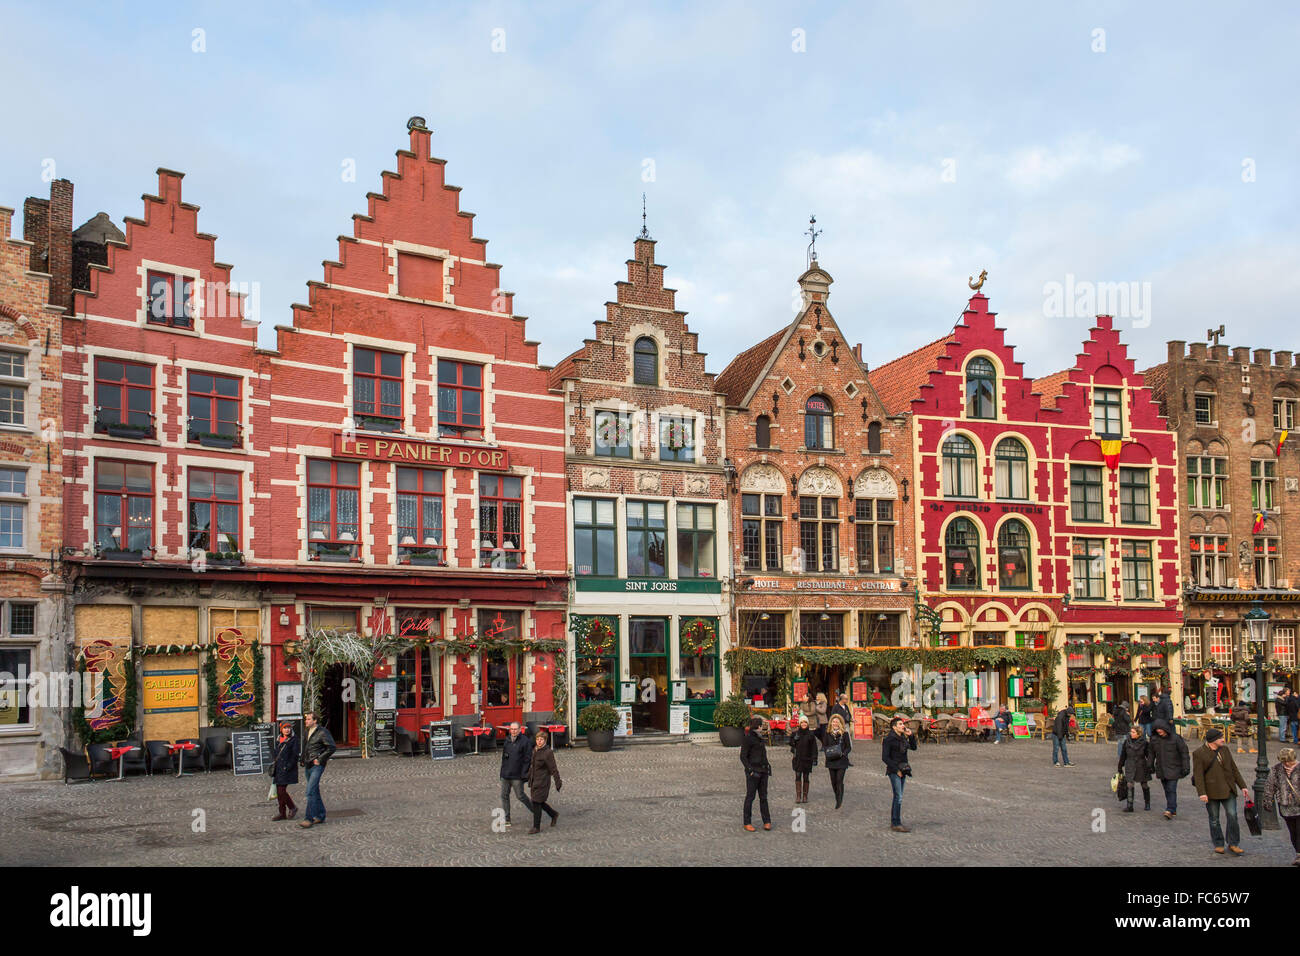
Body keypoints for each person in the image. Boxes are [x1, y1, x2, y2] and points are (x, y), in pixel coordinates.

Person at [1191, 728, 1250, 855]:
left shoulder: (1225, 750)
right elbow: (1198, 775)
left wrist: (1243, 786)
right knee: (1214, 819)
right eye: (1220, 738)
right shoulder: (1199, 753)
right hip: (1211, 790)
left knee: (1233, 816)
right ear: (1213, 740)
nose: (1223, 740)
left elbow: (1234, 769)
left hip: (1228, 789)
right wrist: (1202, 793)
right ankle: (1218, 843)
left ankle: (1233, 843)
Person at [1261, 747, 1300, 865]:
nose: (1287, 764)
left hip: (1299, 806)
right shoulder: (1277, 769)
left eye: (1290, 761)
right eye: (1285, 762)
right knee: (1293, 831)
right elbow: (1270, 785)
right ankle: (1298, 852)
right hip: (1285, 806)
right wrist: (1267, 800)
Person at [298, 711, 336, 829]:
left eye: (309, 719)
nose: (306, 721)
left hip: (317, 765)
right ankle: (320, 815)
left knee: (310, 791)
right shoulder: (307, 731)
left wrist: (320, 758)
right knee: (314, 790)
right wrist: (302, 759)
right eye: (306, 719)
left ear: (315, 721)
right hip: (308, 764)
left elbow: (332, 747)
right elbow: (305, 746)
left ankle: (308, 818)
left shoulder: (322, 732)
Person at [1149, 718, 1190, 819]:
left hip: (1174, 768)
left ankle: (1170, 809)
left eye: (1160, 729)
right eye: (1157, 729)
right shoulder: (1154, 740)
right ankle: (1173, 808)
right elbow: (1151, 754)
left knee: (1171, 789)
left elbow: (1184, 753)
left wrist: (1186, 767)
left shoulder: (1176, 738)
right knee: (1167, 789)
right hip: (1161, 768)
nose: (1159, 731)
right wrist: (1150, 766)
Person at [881, 715, 917, 832]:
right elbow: (885, 757)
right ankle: (896, 823)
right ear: (894, 727)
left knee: (898, 796)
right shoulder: (889, 740)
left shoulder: (903, 738)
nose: (903, 726)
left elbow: (914, 747)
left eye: (903, 724)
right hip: (894, 770)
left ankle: (895, 821)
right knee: (899, 796)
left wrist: (911, 736)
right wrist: (896, 770)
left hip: (904, 769)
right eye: (900, 724)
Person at [499, 721, 534, 828]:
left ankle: (536, 811)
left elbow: (528, 759)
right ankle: (507, 819)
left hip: (517, 775)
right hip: (506, 774)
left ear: (520, 730)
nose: (513, 731)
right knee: (504, 795)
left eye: (515, 729)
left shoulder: (525, 741)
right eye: (512, 729)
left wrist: (524, 773)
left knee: (520, 796)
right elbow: (504, 757)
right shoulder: (507, 740)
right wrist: (502, 772)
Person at [525, 729, 562, 834]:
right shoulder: (535, 750)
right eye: (537, 739)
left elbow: (553, 768)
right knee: (538, 801)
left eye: (541, 739)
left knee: (536, 802)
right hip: (534, 780)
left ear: (545, 741)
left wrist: (557, 781)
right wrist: (527, 776)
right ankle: (553, 814)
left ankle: (536, 827)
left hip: (543, 782)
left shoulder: (548, 752)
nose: (539, 741)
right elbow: (532, 765)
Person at [740, 716, 772, 831]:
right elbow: (743, 756)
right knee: (750, 797)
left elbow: (763, 754)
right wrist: (750, 770)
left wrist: (767, 766)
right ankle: (747, 822)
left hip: (763, 770)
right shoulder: (748, 739)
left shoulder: (760, 738)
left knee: (763, 797)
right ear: (757, 727)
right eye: (761, 726)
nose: (762, 728)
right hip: (753, 771)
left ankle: (767, 821)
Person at [1118, 725, 1153, 812]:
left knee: (1144, 785)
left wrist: (1150, 766)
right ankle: (1130, 805)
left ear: (1139, 734)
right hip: (1130, 764)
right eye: (1131, 732)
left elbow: (1148, 756)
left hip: (1141, 765)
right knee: (1129, 784)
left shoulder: (1144, 743)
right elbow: (1123, 755)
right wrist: (1120, 766)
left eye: (1133, 732)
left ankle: (1147, 803)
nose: (1131, 733)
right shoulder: (1127, 742)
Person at [271, 720, 299, 821]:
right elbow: (275, 752)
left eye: (288, 728)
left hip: (287, 769)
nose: (287, 730)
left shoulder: (294, 739)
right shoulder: (279, 739)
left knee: (281, 791)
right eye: (285, 728)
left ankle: (292, 807)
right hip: (278, 769)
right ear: (281, 729)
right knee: (279, 792)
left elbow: (295, 755)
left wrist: (288, 766)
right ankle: (282, 813)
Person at [823, 713, 853, 809]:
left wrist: (843, 754)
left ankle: (839, 799)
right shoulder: (827, 734)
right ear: (831, 723)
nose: (835, 723)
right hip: (831, 760)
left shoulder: (845, 734)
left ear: (840, 723)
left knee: (839, 780)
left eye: (837, 721)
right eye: (833, 721)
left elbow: (848, 747)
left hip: (841, 761)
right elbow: (825, 745)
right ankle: (838, 794)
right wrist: (828, 752)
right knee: (833, 781)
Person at [789, 712, 818, 804]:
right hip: (798, 758)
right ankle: (798, 795)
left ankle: (805, 796)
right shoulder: (795, 733)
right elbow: (791, 744)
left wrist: (814, 758)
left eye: (805, 722)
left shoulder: (811, 734)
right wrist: (794, 740)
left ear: (807, 724)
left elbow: (814, 748)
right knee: (798, 776)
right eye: (802, 723)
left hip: (807, 759)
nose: (804, 724)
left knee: (806, 777)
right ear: (800, 724)